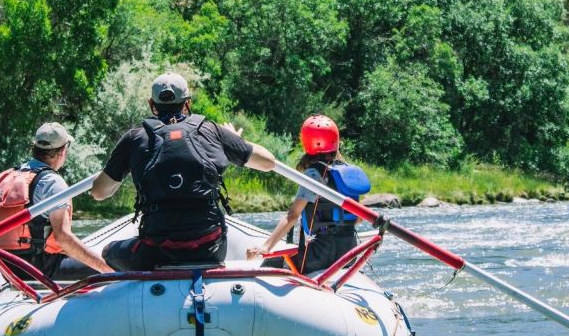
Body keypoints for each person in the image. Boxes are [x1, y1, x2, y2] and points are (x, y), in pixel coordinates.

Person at [91, 72, 276, 270]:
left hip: (155, 251)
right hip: (211, 248)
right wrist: (233, 139)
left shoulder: (134, 139)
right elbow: (268, 162)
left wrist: (124, 164)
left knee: (108, 251)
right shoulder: (211, 131)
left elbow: (99, 193)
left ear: (151, 104)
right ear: (187, 103)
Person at [0, 122, 112, 280]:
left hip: (9, 267)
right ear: (63, 151)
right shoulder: (53, 183)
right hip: (40, 267)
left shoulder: (17, 173)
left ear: (35, 148)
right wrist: (105, 268)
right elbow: (63, 238)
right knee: (112, 264)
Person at [246, 115, 370, 273]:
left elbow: (292, 215)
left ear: (307, 142)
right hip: (350, 250)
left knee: (274, 263)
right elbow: (358, 219)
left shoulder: (313, 173)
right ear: (336, 141)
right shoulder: (348, 172)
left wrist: (265, 247)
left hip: (323, 252)